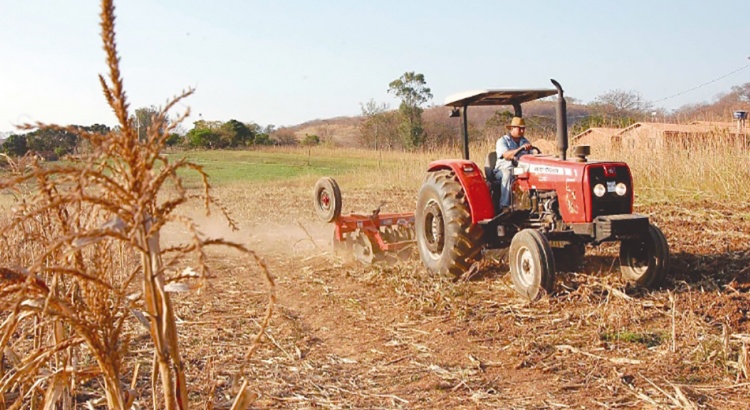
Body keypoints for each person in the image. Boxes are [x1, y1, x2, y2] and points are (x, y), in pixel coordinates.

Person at [494, 117, 533, 209]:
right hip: (503, 169)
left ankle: (530, 203)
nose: (522, 131)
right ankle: (505, 205)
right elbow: (506, 155)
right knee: (507, 174)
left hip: (520, 169)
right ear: (512, 128)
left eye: (523, 128)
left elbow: (531, 155)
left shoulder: (525, 141)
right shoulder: (503, 141)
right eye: (520, 128)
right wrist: (520, 149)